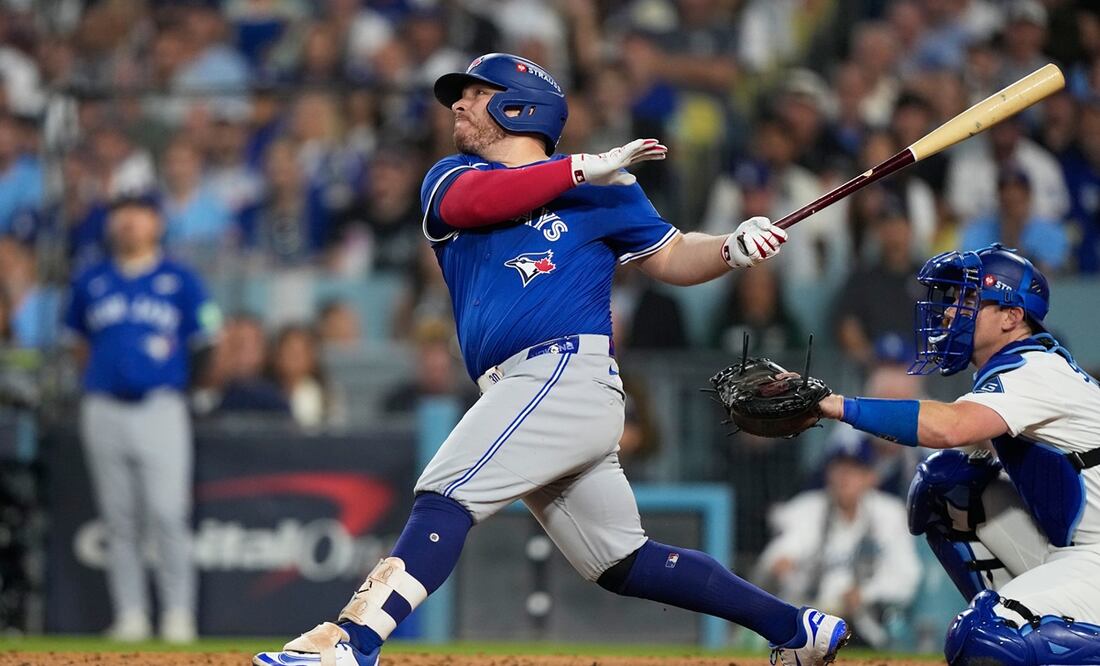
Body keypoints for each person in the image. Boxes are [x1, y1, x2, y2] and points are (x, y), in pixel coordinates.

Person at [254, 53, 849, 666]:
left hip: (562, 373)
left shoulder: (607, 188)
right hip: (524, 386)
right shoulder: (451, 177)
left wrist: (729, 247)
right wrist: (583, 168)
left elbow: (672, 256)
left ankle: (352, 643)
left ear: (520, 105)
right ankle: (796, 629)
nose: (458, 104)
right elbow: (485, 203)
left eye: (477, 94)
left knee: (444, 493)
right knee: (621, 562)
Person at [816, 243, 1100, 665]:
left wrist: (837, 405)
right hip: (1072, 550)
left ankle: (1016, 628)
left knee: (986, 638)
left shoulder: (1036, 370)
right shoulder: (1014, 369)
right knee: (944, 483)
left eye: (969, 300)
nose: (950, 312)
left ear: (1011, 317)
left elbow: (949, 426)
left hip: (1093, 556)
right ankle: (1017, 616)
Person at [62, 195, 221, 643]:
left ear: (156, 222)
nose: (128, 222)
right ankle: (130, 615)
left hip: (161, 405)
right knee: (119, 519)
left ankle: (177, 616)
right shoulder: (90, 278)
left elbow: (208, 339)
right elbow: (76, 343)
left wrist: (185, 388)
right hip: (103, 406)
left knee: (168, 514)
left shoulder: (180, 278)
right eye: (120, 213)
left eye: (138, 213)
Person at [757, 440, 922, 649]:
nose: (845, 477)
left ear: (871, 477)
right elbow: (786, 549)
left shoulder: (889, 514)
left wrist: (865, 593)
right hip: (803, 622)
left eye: (855, 470)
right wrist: (781, 559)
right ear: (828, 473)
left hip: (862, 627)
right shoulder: (806, 508)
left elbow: (907, 577)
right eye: (839, 468)